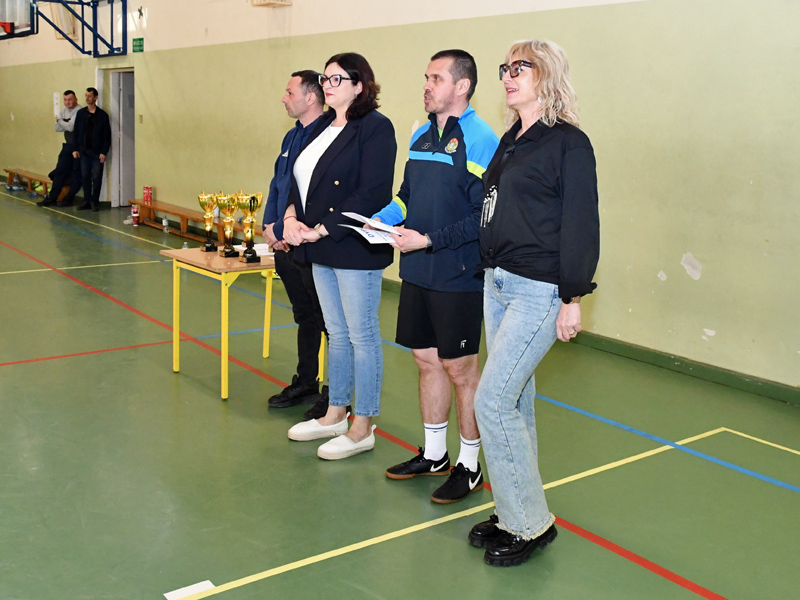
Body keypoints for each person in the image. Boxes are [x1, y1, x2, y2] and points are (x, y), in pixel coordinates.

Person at [468, 40, 599, 567]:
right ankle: (512, 510)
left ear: (547, 75)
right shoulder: (511, 141)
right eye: (505, 67)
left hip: (539, 290)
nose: (508, 75)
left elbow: (581, 223)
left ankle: (530, 524)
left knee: (491, 401)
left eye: (520, 67)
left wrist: (572, 296)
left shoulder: (569, 143)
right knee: (516, 404)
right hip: (498, 283)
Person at [372, 50, 499, 503]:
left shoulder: (482, 139)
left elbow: (482, 218)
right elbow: (406, 197)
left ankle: (470, 466)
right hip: (418, 270)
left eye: (437, 78)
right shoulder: (421, 135)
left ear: (462, 86)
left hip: (458, 274)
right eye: (426, 77)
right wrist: (380, 220)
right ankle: (434, 454)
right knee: (426, 360)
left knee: (461, 370)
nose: (427, 86)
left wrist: (427, 240)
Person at [282, 52, 397, 460]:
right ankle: (335, 412)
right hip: (319, 244)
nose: (327, 85)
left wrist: (322, 227)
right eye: (325, 79)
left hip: (352, 245)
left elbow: (372, 191)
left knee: (362, 335)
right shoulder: (321, 128)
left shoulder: (375, 128)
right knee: (337, 332)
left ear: (359, 85)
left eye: (336, 79)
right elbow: (299, 180)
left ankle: (362, 424)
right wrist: (291, 216)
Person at [262, 71, 330, 417]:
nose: (284, 98)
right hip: (284, 243)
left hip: (310, 243)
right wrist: (270, 227)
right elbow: (279, 184)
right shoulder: (292, 136)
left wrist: (289, 230)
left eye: (290, 92)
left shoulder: (328, 135)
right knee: (304, 315)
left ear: (311, 97)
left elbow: (314, 195)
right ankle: (306, 381)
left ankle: (337, 394)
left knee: (330, 322)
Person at [37, 90, 82, 208]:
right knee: (59, 172)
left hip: (78, 147)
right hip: (67, 146)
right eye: (65, 100)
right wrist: (65, 122)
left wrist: (61, 121)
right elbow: (57, 128)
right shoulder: (63, 111)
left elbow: (71, 127)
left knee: (77, 174)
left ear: (76, 99)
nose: (67, 102)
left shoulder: (80, 111)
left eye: (70, 99)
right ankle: (52, 198)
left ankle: (69, 198)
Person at [72, 87, 111, 212]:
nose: (87, 98)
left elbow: (107, 136)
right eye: (86, 96)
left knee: (97, 178)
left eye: (90, 96)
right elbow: (76, 131)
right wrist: (75, 149)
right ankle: (87, 201)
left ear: (95, 97)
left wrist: (103, 152)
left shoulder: (102, 116)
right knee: (85, 177)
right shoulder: (81, 114)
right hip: (84, 151)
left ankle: (95, 201)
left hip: (97, 153)